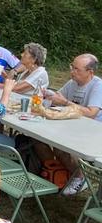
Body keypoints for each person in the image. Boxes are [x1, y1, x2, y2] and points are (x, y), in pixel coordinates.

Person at [40, 54, 102, 195]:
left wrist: (65, 102)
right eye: (72, 67)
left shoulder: (98, 86)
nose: (72, 72)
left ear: (90, 72)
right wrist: (49, 95)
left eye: (77, 69)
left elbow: (91, 113)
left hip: (93, 132)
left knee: (62, 146)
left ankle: (80, 176)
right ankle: (60, 172)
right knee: (44, 138)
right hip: (72, 126)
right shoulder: (72, 82)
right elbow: (58, 97)